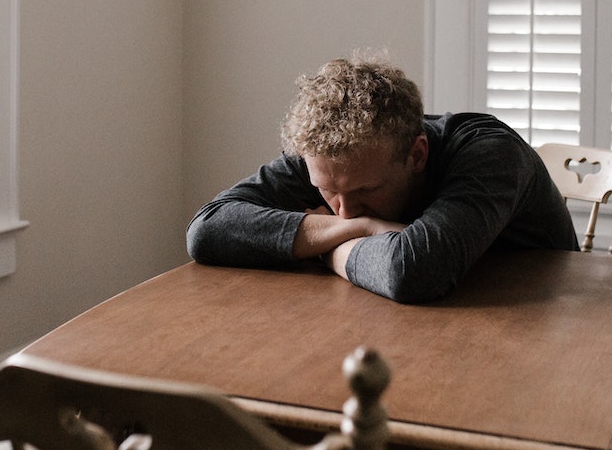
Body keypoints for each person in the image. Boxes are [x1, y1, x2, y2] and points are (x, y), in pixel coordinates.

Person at [186, 53, 579, 303]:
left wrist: (326, 248)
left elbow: (414, 270)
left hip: (551, 321)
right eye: (327, 192)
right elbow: (207, 230)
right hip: (421, 318)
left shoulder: (490, 153)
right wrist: (364, 228)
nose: (344, 211)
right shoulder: (330, 157)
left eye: (366, 192)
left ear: (417, 154)